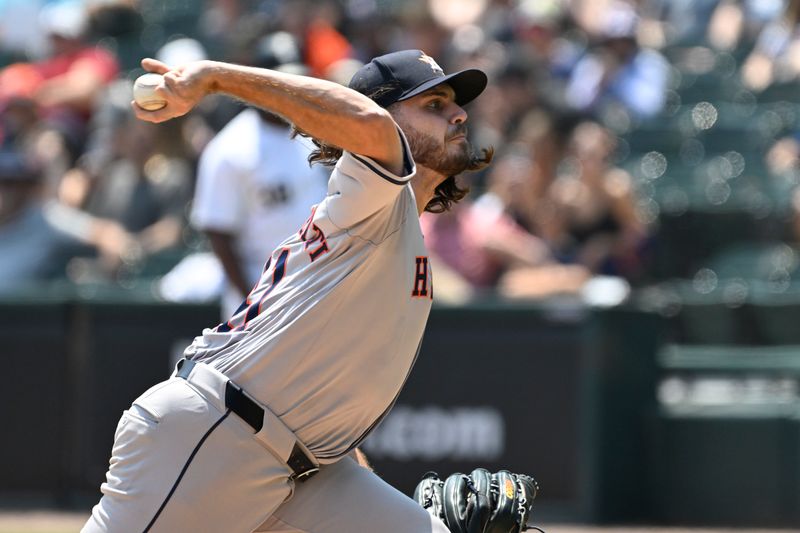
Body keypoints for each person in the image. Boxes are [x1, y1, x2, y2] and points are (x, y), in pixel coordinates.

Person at [83, 49, 492, 533]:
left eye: (454, 102)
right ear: (383, 119)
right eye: (434, 103)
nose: (458, 112)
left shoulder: (395, 223)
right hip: (213, 435)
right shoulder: (374, 194)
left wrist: (355, 463)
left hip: (305, 468)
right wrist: (215, 77)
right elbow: (369, 125)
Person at [191, 33, 330, 318]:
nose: (289, 90)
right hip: (260, 300)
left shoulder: (318, 135)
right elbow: (218, 234)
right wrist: (253, 304)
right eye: (280, 82)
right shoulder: (231, 148)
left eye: (295, 80)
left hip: (317, 293)